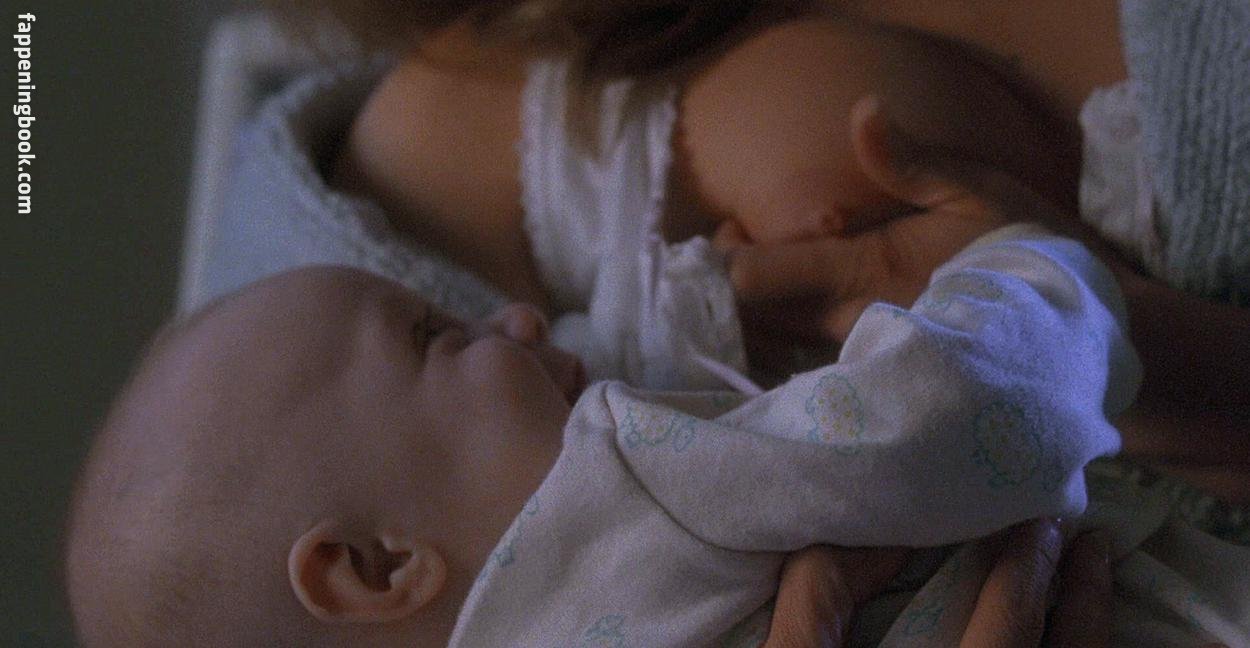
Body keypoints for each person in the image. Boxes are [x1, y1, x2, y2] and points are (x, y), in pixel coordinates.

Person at [66, 196, 1138, 644]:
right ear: (380, 566)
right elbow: (950, 420)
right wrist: (1029, 270)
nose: (519, 316)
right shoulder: (626, 481)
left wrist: (694, 308)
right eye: (439, 335)